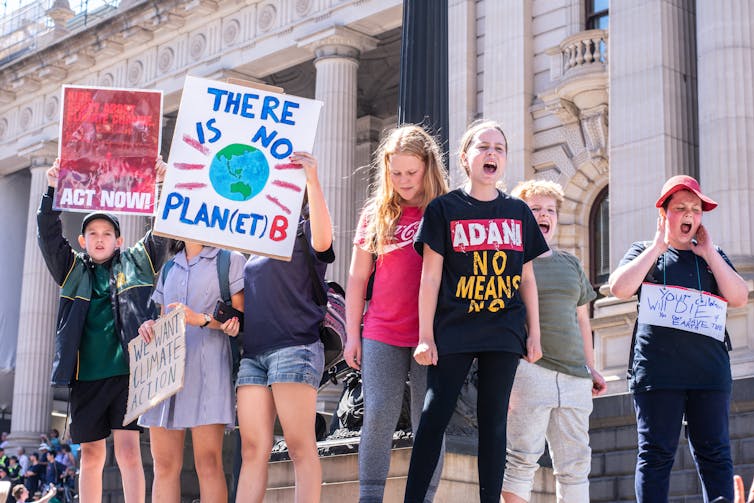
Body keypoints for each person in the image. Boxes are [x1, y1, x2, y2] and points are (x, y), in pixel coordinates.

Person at [403, 120, 549, 503]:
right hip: (454, 328)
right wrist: (424, 335)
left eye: (499, 148)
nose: (492, 154)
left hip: (504, 330)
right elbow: (430, 279)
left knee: (493, 422)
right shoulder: (443, 209)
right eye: (483, 147)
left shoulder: (518, 211)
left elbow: (528, 279)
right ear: (466, 158)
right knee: (434, 416)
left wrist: (534, 334)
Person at [609, 175, 748, 502]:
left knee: (715, 454)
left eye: (696, 209)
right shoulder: (645, 251)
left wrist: (710, 253)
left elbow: (739, 296)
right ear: (664, 214)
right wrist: (658, 246)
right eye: (680, 208)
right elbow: (619, 288)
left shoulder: (713, 257)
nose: (689, 215)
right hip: (658, 375)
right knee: (656, 454)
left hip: (709, 375)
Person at [38, 157, 170, 503]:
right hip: (86, 377)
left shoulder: (137, 261)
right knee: (92, 455)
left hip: (127, 375)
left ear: (119, 240)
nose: (99, 239)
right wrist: (51, 188)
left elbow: (163, 231)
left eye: (107, 234)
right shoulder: (71, 270)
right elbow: (48, 235)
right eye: (93, 234)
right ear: (82, 240)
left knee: (128, 452)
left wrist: (161, 185)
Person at [343, 125, 449, 502]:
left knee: (429, 421)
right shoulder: (377, 212)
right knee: (378, 415)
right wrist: (351, 334)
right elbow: (357, 277)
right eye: (396, 173)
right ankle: (369, 496)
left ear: (427, 168)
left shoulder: (444, 209)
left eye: (412, 172)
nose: (404, 181)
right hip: (381, 332)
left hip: (432, 334)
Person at [235, 151, 334, 503]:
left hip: (295, 346)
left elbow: (324, 243)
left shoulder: (306, 229)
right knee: (251, 449)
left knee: (298, 445)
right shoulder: (256, 241)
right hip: (254, 354)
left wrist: (313, 180)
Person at [500, 180, 607, 503]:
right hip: (531, 372)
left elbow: (581, 320)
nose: (544, 215)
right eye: (535, 209)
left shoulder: (571, 263)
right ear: (521, 216)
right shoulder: (510, 261)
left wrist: (592, 368)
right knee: (521, 460)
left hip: (575, 378)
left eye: (550, 210)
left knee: (575, 466)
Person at [137, 240, 245, 503]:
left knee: (208, 462)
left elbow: (241, 319)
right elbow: (164, 319)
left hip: (209, 368)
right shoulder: (169, 268)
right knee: (163, 466)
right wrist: (151, 326)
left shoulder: (230, 260)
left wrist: (201, 319)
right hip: (167, 371)